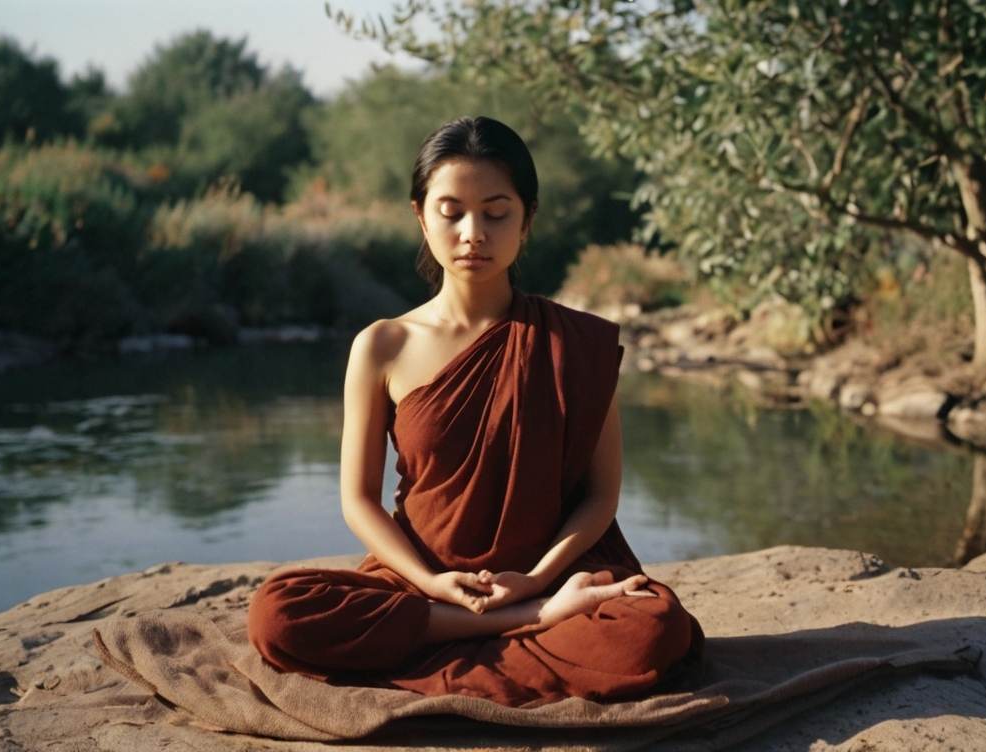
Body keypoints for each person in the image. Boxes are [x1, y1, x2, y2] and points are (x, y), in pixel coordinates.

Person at [247, 116, 701, 707]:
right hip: (428, 585)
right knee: (277, 613)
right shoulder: (383, 345)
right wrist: (431, 582)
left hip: (555, 575)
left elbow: (600, 497)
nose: (473, 233)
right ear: (419, 213)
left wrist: (538, 580)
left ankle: (509, 621)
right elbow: (359, 500)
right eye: (451, 210)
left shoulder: (575, 343)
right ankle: (519, 624)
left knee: (652, 632)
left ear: (527, 218)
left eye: (496, 212)